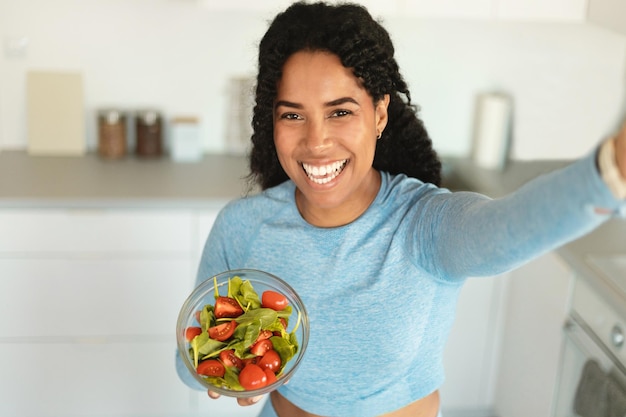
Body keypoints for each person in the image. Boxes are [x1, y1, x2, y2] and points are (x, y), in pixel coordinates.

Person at [176, 2, 626, 416]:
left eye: (340, 112)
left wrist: (609, 174)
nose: (316, 142)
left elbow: (506, 229)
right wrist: (224, 374)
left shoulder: (421, 224)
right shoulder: (243, 227)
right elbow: (188, 357)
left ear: (379, 114)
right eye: (292, 115)